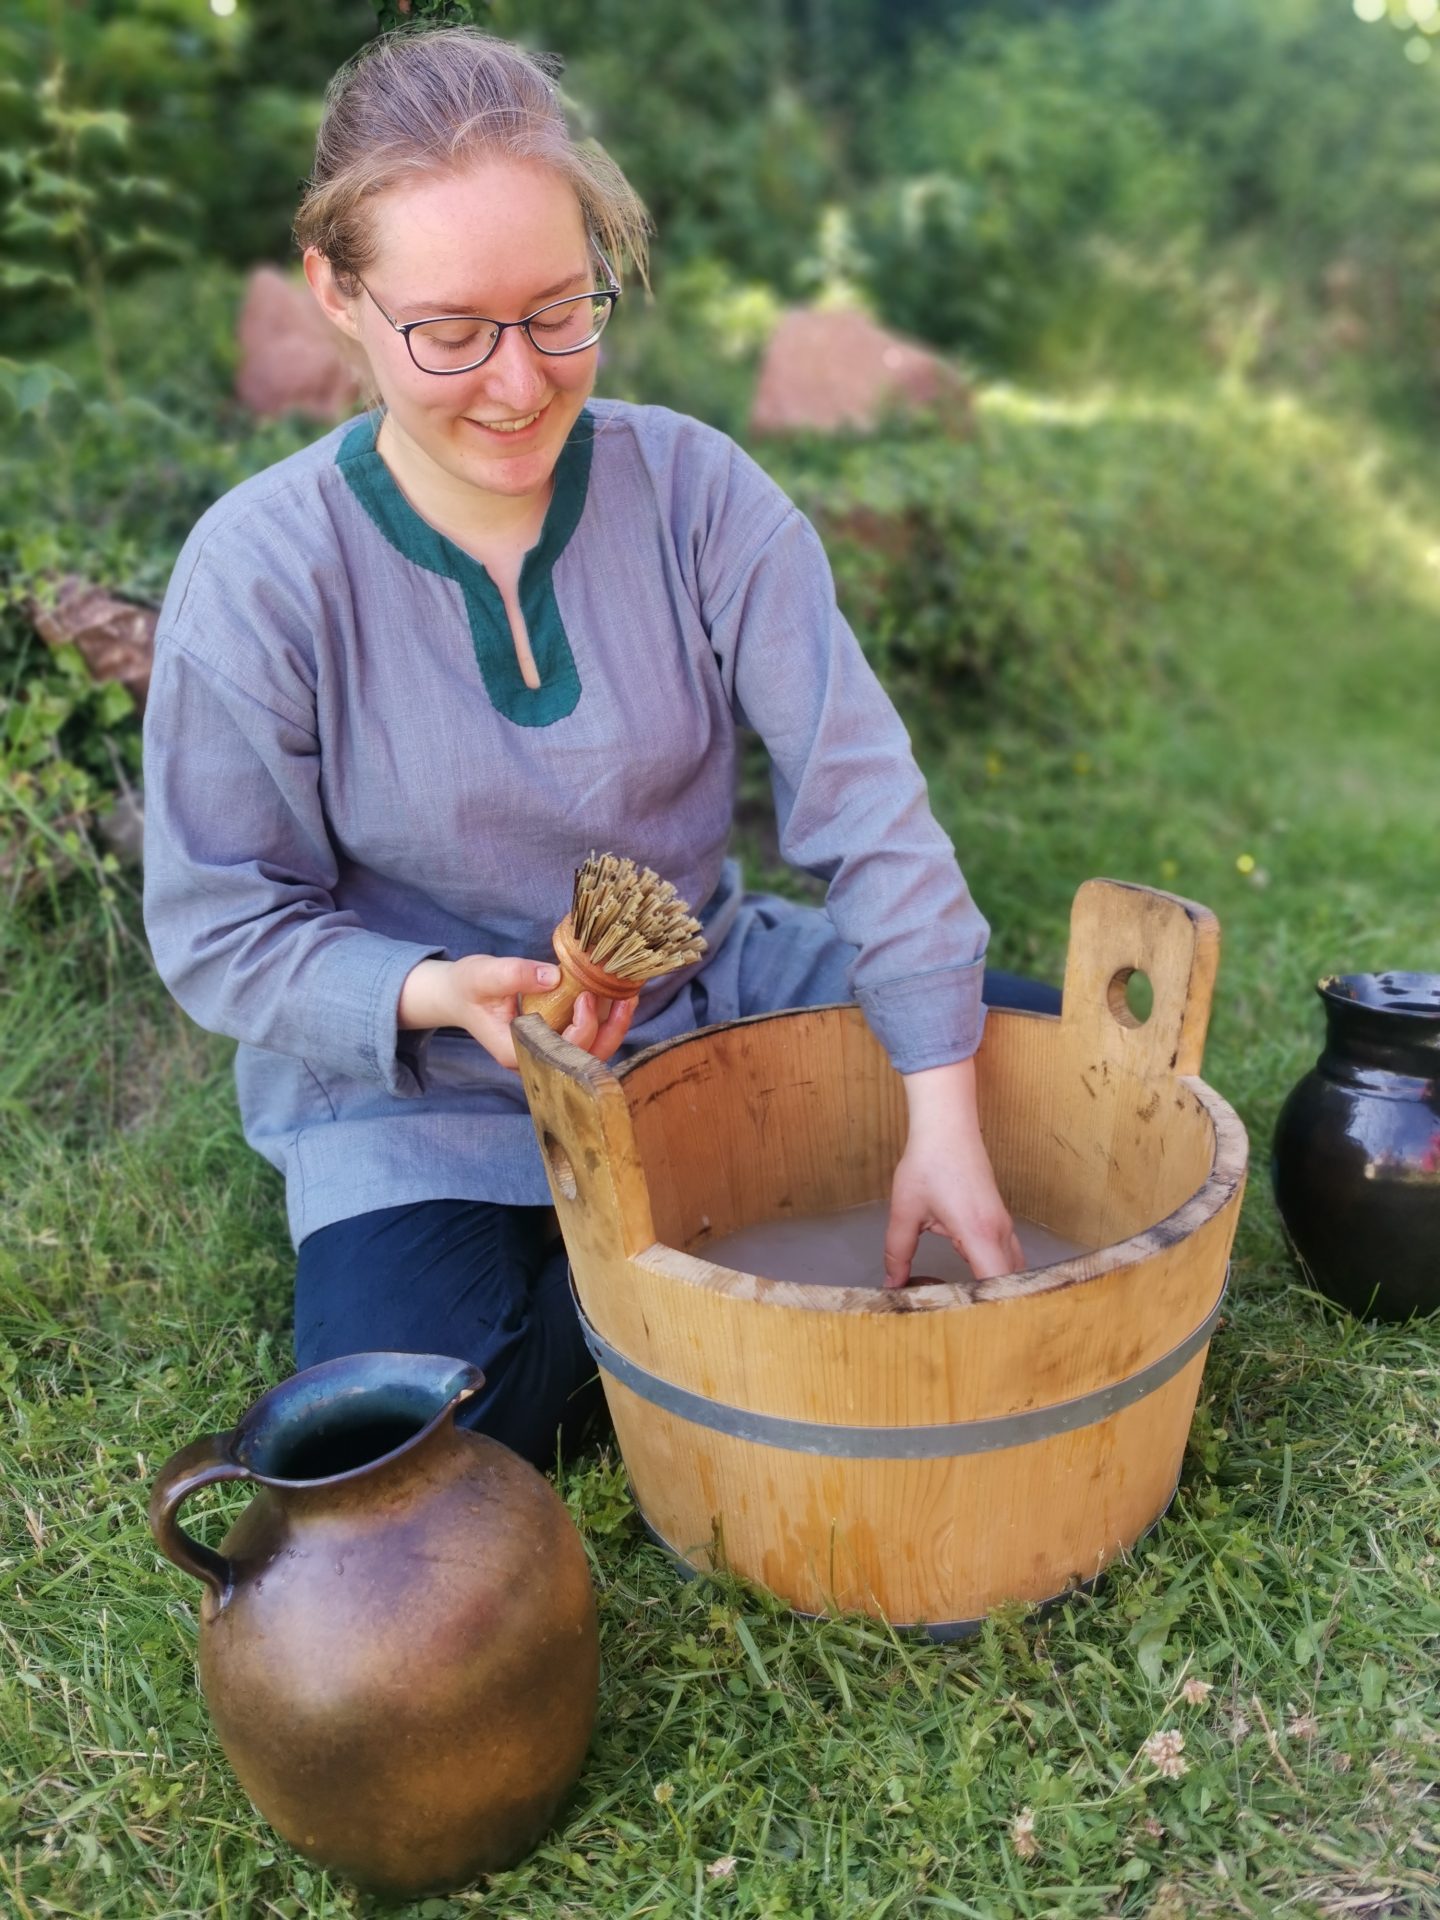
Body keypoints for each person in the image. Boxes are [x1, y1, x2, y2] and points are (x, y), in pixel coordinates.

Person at [142, 26, 1060, 1470]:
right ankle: (720, 1252)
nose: (518, 384)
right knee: (441, 1436)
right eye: (449, 332)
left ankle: (734, 1208)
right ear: (336, 292)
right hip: (425, 1090)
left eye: (561, 311)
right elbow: (220, 926)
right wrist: (437, 992)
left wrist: (939, 1102)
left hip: (711, 1000)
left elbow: (866, 811)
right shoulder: (259, 577)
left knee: (1049, 1062)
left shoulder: (701, 497)